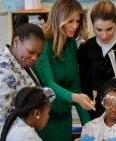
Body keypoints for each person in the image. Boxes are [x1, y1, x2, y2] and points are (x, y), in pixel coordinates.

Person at [31, 0, 95, 140]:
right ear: (58, 19)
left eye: (77, 21)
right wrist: (75, 97)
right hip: (43, 118)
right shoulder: (42, 44)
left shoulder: (71, 44)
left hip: (64, 117)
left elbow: (75, 85)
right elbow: (49, 83)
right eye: (70, 21)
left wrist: (89, 126)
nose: (75, 26)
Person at [0, 15, 45, 140]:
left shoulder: (19, 62)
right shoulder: (2, 71)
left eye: (38, 54)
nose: (35, 58)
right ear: (16, 42)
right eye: (31, 52)